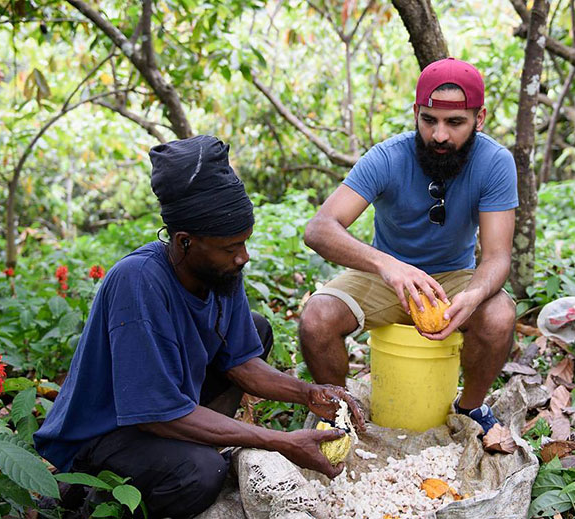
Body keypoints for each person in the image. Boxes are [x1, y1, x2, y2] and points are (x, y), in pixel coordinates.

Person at [34, 135, 365, 519]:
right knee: (202, 474)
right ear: (185, 242)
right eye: (230, 248)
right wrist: (280, 441)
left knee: (256, 331)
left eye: (244, 243)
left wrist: (309, 393)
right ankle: (84, 497)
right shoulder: (138, 283)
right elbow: (157, 415)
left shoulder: (220, 272)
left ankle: (199, 442)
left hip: (164, 409)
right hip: (108, 432)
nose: (243, 257)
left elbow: (241, 363)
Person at [298, 57, 518, 435]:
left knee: (499, 315)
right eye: (429, 120)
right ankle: (337, 415)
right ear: (416, 112)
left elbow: (497, 256)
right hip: (384, 274)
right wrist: (388, 266)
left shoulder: (495, 163)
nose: (440, 136)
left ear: (479, 119)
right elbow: (320, 229)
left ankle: (469, 409)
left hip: (454, 277)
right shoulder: (388, 157)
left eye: (455, 122)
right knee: (316, 319)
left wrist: (474, 295)